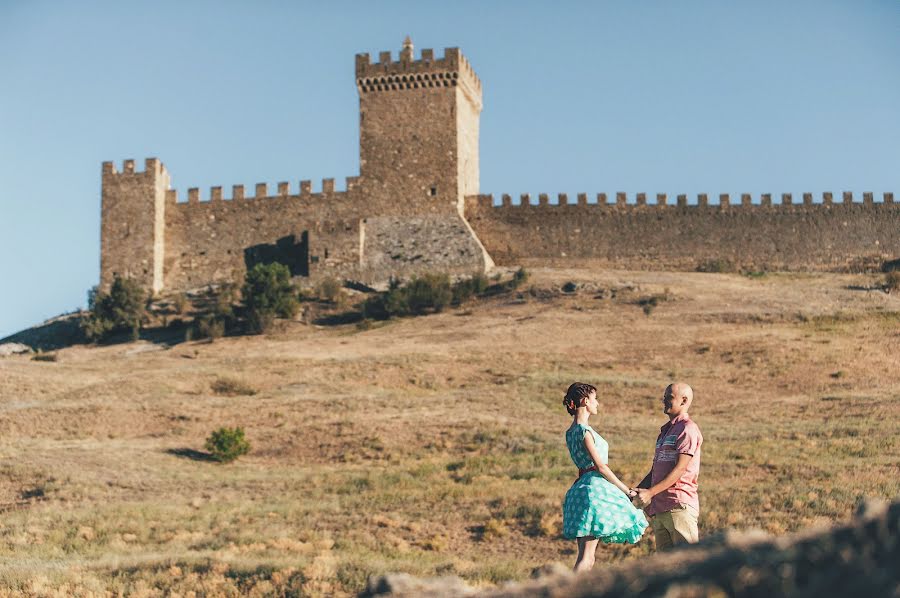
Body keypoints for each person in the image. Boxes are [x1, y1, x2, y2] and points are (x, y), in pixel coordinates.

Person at [562, 382, 648, 572]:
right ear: (585, 401)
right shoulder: (584, 432)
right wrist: (626, 490)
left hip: (580, 489)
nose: (597, 403)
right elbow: (601, 467)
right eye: (595, 399)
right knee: (587, 557)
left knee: (586, 556)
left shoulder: (570, 433)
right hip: (594, 491)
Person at [632, 382, 703, 550]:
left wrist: (650, 492)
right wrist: (637, 491)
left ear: (684, 401)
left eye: (669, 397)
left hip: (679, 505)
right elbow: (655, 471)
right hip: (660, 509)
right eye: (664, 397)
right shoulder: (664, 432)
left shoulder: (688, 429)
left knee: (688, 563)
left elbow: (680, 468)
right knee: (668, 568)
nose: (664, 401)